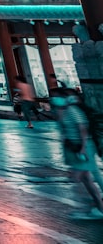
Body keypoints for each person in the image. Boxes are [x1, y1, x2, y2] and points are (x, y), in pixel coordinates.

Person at [51, 88, 103, 220]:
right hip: (73, 147)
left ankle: (89, 206)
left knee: (77, 177)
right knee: (86, 178)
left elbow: (83, 129)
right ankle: (98, 207)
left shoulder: (73, 110)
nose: (53, 99)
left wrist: (84, 148)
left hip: (82, 147)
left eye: (56, 96)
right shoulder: (61, 111)